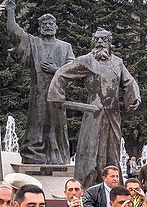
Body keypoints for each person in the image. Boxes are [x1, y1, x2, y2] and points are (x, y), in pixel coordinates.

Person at [47, 28, 141, 187]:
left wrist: (134, 97)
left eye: (103, 40)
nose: (99, 43)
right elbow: (62, 73)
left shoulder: (117, 62)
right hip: (94, 112)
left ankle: (113, 188)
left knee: (112, 152)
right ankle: (85, 186)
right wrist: (57, 95)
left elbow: (129, 81)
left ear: (109, 43)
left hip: (113, 114)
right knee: (91, 151)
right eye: (96, 39)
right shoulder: (86, 61)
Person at [4, 5, 75, 164]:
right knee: (37, 124)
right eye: (44, 24)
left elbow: (73, 70)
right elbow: (14, 31)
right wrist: (10, 11)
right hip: (38, 94)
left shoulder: (65, 47)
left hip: (57, 95)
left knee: (57, 126)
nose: (48, 26)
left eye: (51, 24)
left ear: (56, 27)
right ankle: (35, 154)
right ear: (40, 27)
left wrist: (56, 69)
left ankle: (57, 156)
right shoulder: (33, 42)